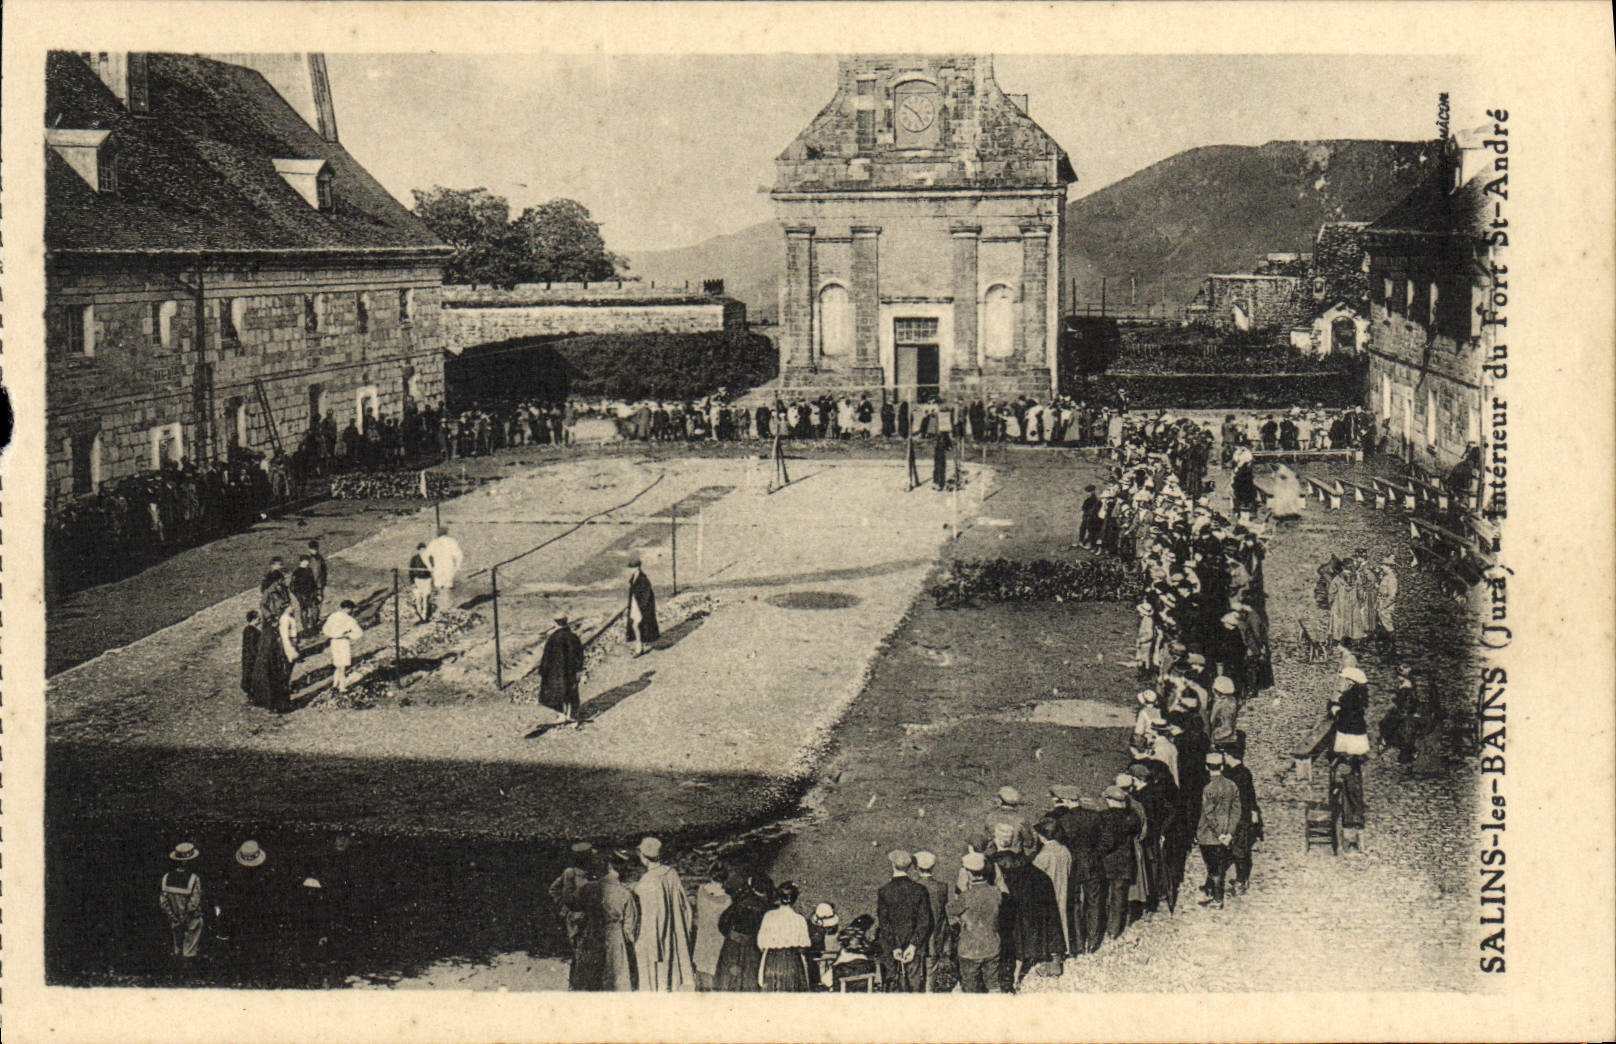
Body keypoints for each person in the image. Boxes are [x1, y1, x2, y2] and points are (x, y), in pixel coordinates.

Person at [632, 837, 695, 991]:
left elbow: (651, 917)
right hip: (673, 933)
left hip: (656, 939)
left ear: (643, 856)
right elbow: (685, 906)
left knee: (656, 976)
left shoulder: (648, 881)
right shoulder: (671, 873)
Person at [574, 851, 639, 991]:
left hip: (592, 931)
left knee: (591, 973)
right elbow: (629, 925)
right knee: (615, 974)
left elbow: (577, 907)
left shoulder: (588, 888)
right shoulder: (625, 893)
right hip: (615, 935)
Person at [875, 849, 932, 992]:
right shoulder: (920, 889)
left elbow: (884, 923)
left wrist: (895, 946)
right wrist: (913, 946)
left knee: (894, 986)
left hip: (892, 946)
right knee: (915, 986)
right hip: (915, 946)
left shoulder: (885, 891)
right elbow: (925, 922)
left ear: (893, 865)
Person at [217, 840, 272, 982]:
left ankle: (239, 973)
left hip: (238, 917)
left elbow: (227, 900)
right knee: (255, 944)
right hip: (256, 917)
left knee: (239, 945)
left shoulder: (234, 877)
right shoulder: (263, 877)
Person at [950, 851, 1001, 993]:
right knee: (994, 985)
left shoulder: (966, 896)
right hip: (992, 945)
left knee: (970, 988)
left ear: (968, 873)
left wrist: (961, 888)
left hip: (970, 949)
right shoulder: (996, 892)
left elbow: (950, 910)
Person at [1197, 752, 1240, 908]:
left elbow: (1208, 814)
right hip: (1227, 833)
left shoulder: (1208, 788)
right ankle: (1213, 894)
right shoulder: (1232, 785)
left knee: (1213, 868)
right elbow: (1236, 811)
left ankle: (1217, 899)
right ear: (1222, 766)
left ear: (1206, 767)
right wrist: (1229, 832)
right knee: (1220, 865)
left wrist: (1219, 833)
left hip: (1209, 835)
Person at [714, 872, 771, 991]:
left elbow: (723, 923)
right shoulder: (766, 908)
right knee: (749, 981)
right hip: (752, 949)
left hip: (732, 947)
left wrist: (733, 934)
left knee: (728, 982)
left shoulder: (739, 902)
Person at [1098, 785, 1139, 941]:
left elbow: (1106, 841)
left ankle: (1104, 924)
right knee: (1119, 895)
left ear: (1109, 800)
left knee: (1104, 893)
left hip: (1107, 861)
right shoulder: (1132, 817)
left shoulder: (1103, 817)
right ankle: (1114, 929)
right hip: (1125, 861)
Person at [756, 881, 812, 992]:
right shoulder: (799, 919)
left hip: (772, 961)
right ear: (795, 899)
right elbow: (805, 944)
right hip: (793, 962)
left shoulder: (769, 916)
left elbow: (761, 943)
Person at [1220, 746, 1261, 895]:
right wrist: (1254, 811)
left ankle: (1240, 883)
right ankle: (1241, 879)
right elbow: (1251, 795)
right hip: (1243, 817)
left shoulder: (1233, 776)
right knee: (1240, 850)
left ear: (1229, 755)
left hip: (1237, 818)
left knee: (1239, 851)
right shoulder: (1244, 772)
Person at [909, 851, 950, 992]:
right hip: (935, 936)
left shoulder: (913, 886)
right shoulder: (942, 887)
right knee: (931, 971)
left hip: (916, 937)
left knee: (914, 970)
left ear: (916, 867)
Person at [550, 841, 594, 970]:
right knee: (582, 947)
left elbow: (553, 890)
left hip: (575, 915)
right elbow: (554, 890)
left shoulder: (569, 872)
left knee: (579, 947)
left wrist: (563, 906)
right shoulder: (580, 875)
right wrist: (565, 906)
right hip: (582, 916)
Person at [1031, 819, 1072, 956]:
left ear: (1042, 836)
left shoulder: (1043, 855)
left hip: (1049, 892)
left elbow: (1034, 877)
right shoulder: (1065, 850)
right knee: (1064, 915)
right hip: (1063, 885)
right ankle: (1066, 946)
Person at [160, 842, 206, 960]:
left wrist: (174, 917)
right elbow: (194, 903)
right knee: (190, 948)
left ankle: (177, 974)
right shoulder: (194, 878)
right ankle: (188, 973)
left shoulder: (166, 877)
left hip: (174, 918)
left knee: (177, 946)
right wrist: (185, 917)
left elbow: (163, 902)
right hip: (191, 919)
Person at [537, 615, 586, 723]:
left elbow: (547, 657)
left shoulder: (553, 638)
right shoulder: (573, 637)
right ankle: (571, 714)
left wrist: (543, 671)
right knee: (571, 691)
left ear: (555, 623)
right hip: (570, 671)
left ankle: (561, 715)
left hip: (556, 672)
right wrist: (579, 669)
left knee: (557, 693)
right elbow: (579, 654)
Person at [692, 862, 733, 991]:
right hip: (717, 939)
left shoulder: (701, 891)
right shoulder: (727, 900)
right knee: (713, 970)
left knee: (700, 969)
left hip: (703, 936)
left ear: (711, 875)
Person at [321, 599, 364, 694]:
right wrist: (347, 635)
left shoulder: (333, 616)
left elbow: (325, 629)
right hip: (343, 642)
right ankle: (342, 687)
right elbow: (359, 632)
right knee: (342, 665)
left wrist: (332, 634)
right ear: (348, 609)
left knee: (338, 664)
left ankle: (335, 684)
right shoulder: (349, 619)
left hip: (334, 642)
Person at [626, 558, 660, 657]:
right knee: (636, 626)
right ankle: (639, 645)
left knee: (636, 625)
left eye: (632, 567)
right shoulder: (635, 577)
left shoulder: (642, 579)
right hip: (635, 605)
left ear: (637, 568)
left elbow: (647, 594)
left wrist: (642, 608)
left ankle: (639, 648)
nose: (630, 570)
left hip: (640, 607)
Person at [1376, 552, 1400, 655]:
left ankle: (1392, 647)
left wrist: (1383, 606)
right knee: (1382, 624)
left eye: (1384, 565)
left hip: (1386, 605)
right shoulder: (1386, 577)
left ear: (1390, 567)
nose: (1382, 567)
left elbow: (1392, 596)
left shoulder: (1391, 579)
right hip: (1382, 602)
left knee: (1388, 625)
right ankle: (1384, 645)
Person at [408, 542, 433, 622]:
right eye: (421, 550)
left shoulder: (429, 558)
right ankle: (419, 616)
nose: (422, 552)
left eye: (424, 550)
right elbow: (411, 571)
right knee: (418, 599)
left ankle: (424, 615)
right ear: (418, 550)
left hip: (427, 580)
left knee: (425, 598)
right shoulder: (414, 559)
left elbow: (432, 568)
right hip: (418, 580)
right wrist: (413, 583)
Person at [241, 610, 261, 700]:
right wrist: (257, 656)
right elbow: (253, 646)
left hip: (246, 656)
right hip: (252, 657)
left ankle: (250, 693)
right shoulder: (254, 631)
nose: (260, 619)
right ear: (254, 619)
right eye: (258, 618)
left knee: (247, 674)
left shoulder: (246, 630)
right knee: (253, 674)